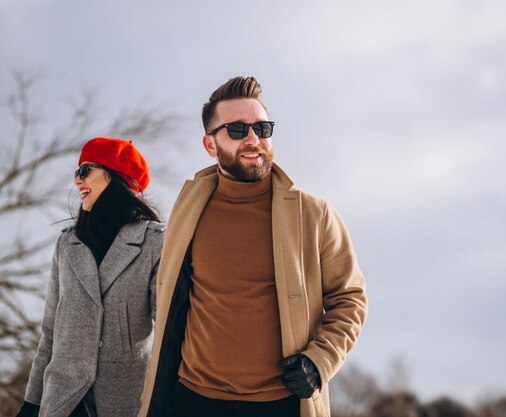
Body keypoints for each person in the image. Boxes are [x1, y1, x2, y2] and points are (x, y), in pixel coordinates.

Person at [137, 76, 367, 417]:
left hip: (279, 405)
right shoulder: (188, 208)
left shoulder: (314, 214)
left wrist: (319, 361)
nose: (252, 139)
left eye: (262, 128)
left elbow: (350, 300)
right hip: (190, 400)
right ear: (210, 145)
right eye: (237, 130)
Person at [17, 138, 165, 417]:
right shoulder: (67, 245)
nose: (77, 182)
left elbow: (169, 326)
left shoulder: (154, 242)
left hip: (125, 403)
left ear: (116, 176)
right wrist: (32, 402)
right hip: (61, 401)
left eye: (85, 171)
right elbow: (50, 332)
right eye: (76, 173)